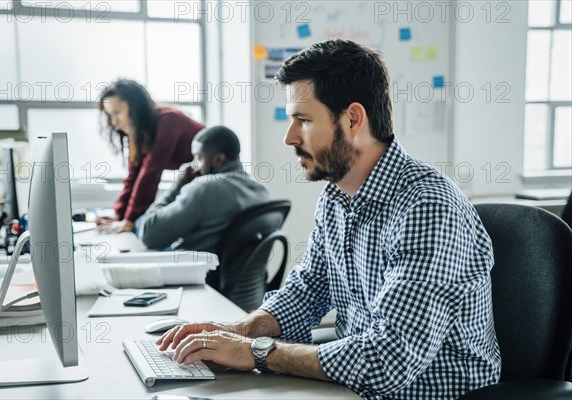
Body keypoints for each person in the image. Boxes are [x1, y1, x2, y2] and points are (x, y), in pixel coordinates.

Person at [156, 39, 501, 399]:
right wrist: (241, 330)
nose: (289, 137)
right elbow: (308, 289)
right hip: (354, 389)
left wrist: (256, 352)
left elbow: (388, 360)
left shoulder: (428, 207)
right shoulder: (336, 197)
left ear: (353, 119)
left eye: (303, 120)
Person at [138, 125, 270, 253]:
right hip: (243, 275)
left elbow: (149, 235)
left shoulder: (204, 188)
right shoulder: (262, 190)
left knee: (139, 227)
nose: (193, 164)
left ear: (218, 159)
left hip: (196, 272)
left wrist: (179, 183)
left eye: (198, 157)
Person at [96, 79, 204, 233]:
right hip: (197, 178)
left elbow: (150, 173)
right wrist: (118, 214)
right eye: (110, 115)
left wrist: (130, 220)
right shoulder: (138, 134)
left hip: (219, 173)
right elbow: (134, 176)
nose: (114, 122)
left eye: (117, 113)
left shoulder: (169, 120)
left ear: (134, 108)